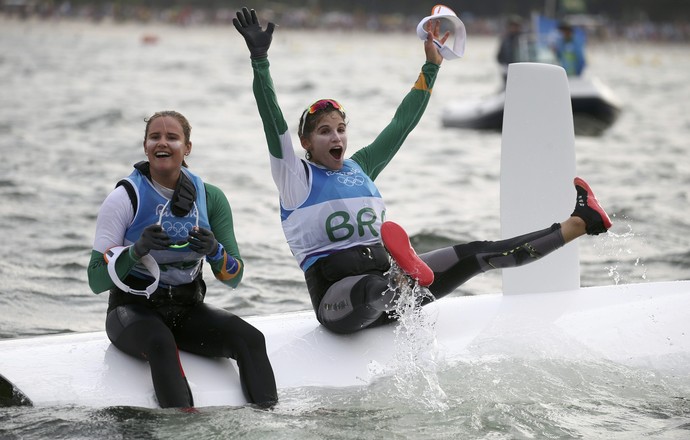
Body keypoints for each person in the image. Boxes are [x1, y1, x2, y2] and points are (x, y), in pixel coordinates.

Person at [233, 8, 612, 335]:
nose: (336, 137)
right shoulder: (295, 177)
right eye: (324, 132)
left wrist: (431, 67)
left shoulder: (360, 167)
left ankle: (581, 222)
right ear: (306, 142)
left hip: (395, 284)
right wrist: (260, 61)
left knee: (479, 253)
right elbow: (272, 120)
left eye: (341, 129)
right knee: (372, 289)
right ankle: (402, 277)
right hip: (342, 301)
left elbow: (401, 124)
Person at [87, 110, 277, 409]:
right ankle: (184, 428)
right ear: (146, 146)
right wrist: (136, 251)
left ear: (187, 147)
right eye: (155, 137)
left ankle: (271, 421)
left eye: (172, 137)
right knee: (161, 343)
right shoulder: (125, 198)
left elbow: (235, 276)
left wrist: (214, 251)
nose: (163, 143)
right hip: (131, 311)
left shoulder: (211, 198)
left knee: (251, 339)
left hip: (186, 310)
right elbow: (95, 279)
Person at [496, 15, 525, 84]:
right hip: (508, 70)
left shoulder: (525, 39)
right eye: (512, 26)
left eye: (516, 26)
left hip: (523, 69)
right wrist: (504, 66)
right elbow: (499, 56)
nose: (514, 28)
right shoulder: (505, 40)